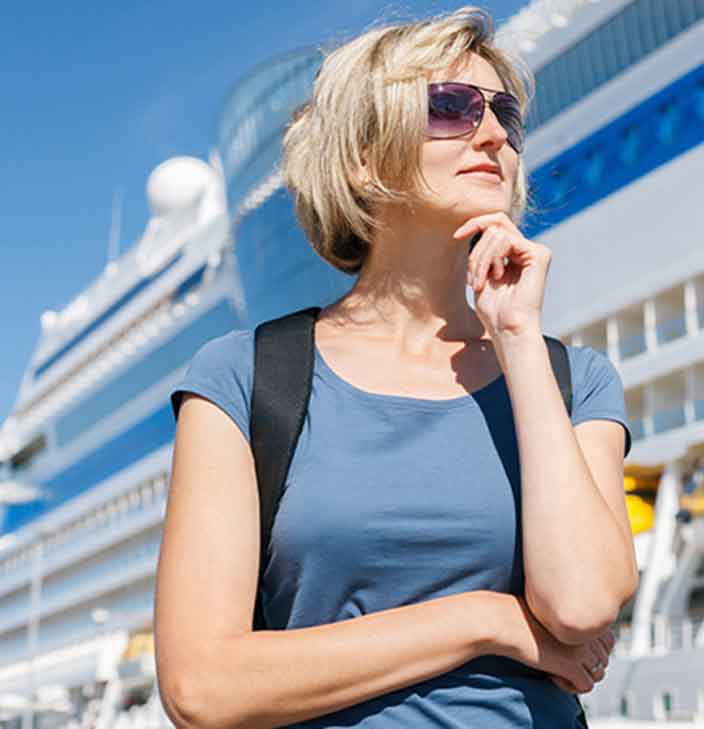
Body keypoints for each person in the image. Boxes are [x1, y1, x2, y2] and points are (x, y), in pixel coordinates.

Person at [153, 7, 637, 729]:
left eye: (504, 112)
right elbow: (201, 685)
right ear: (363, 157)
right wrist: (485, 619)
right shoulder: (247, 377)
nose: (496, 133)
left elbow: (581, 603)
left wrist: (518, 335)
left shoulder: (574, 379)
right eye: (452, 106)